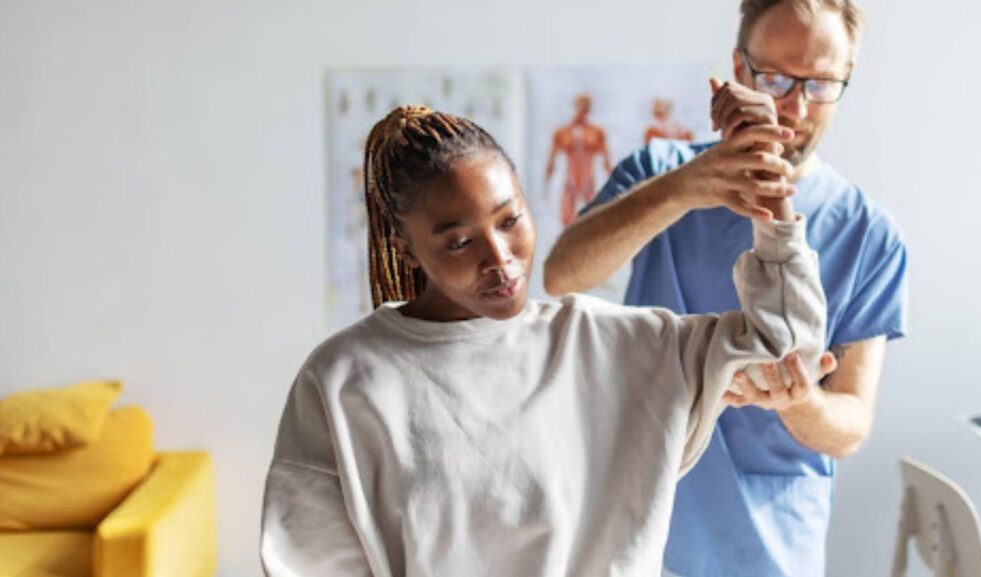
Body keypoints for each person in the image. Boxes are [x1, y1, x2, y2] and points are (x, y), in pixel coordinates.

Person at [261, 105, 830, 576]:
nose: (500, 260)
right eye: (459, 242)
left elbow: (786, 347)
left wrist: (773, 199)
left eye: (510, 221)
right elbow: (309, 561)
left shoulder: (610, 345)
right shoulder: (344, 380)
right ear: (407, 249)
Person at [544, 1, 909, 575]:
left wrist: (801, 401)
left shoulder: (870, 236)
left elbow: (849, 428)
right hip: (644, 521)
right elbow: (562, 274)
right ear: (738, 70)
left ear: (846, 80)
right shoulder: (658, 170)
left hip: (773, 546)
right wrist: (686, 187)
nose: (793, 105)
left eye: (820, 84)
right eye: (774, 78)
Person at [544, 94, 614, 227]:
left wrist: (614, 183)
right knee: (567, 214)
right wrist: (546, 185)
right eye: (580, 105)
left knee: (592, 213)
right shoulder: (563, 132)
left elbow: (607, 162)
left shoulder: (597, 132)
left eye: (585, 106)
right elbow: (551, 160)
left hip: (588, 178)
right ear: (574, 106)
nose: (582, 109)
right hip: (571, 178)